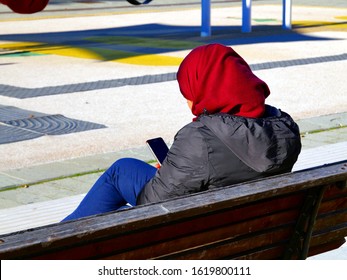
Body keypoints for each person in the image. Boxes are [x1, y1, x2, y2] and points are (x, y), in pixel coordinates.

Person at [62, 43, 301, 221]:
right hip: (250, 227)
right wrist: (176, 169)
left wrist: (169, 173)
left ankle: (54, 246)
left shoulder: (200, 137)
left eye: (189, 90)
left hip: (198, 232)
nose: (187, 98)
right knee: (125, 170)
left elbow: (152, 203)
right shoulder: (284, 126)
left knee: (120, 173)